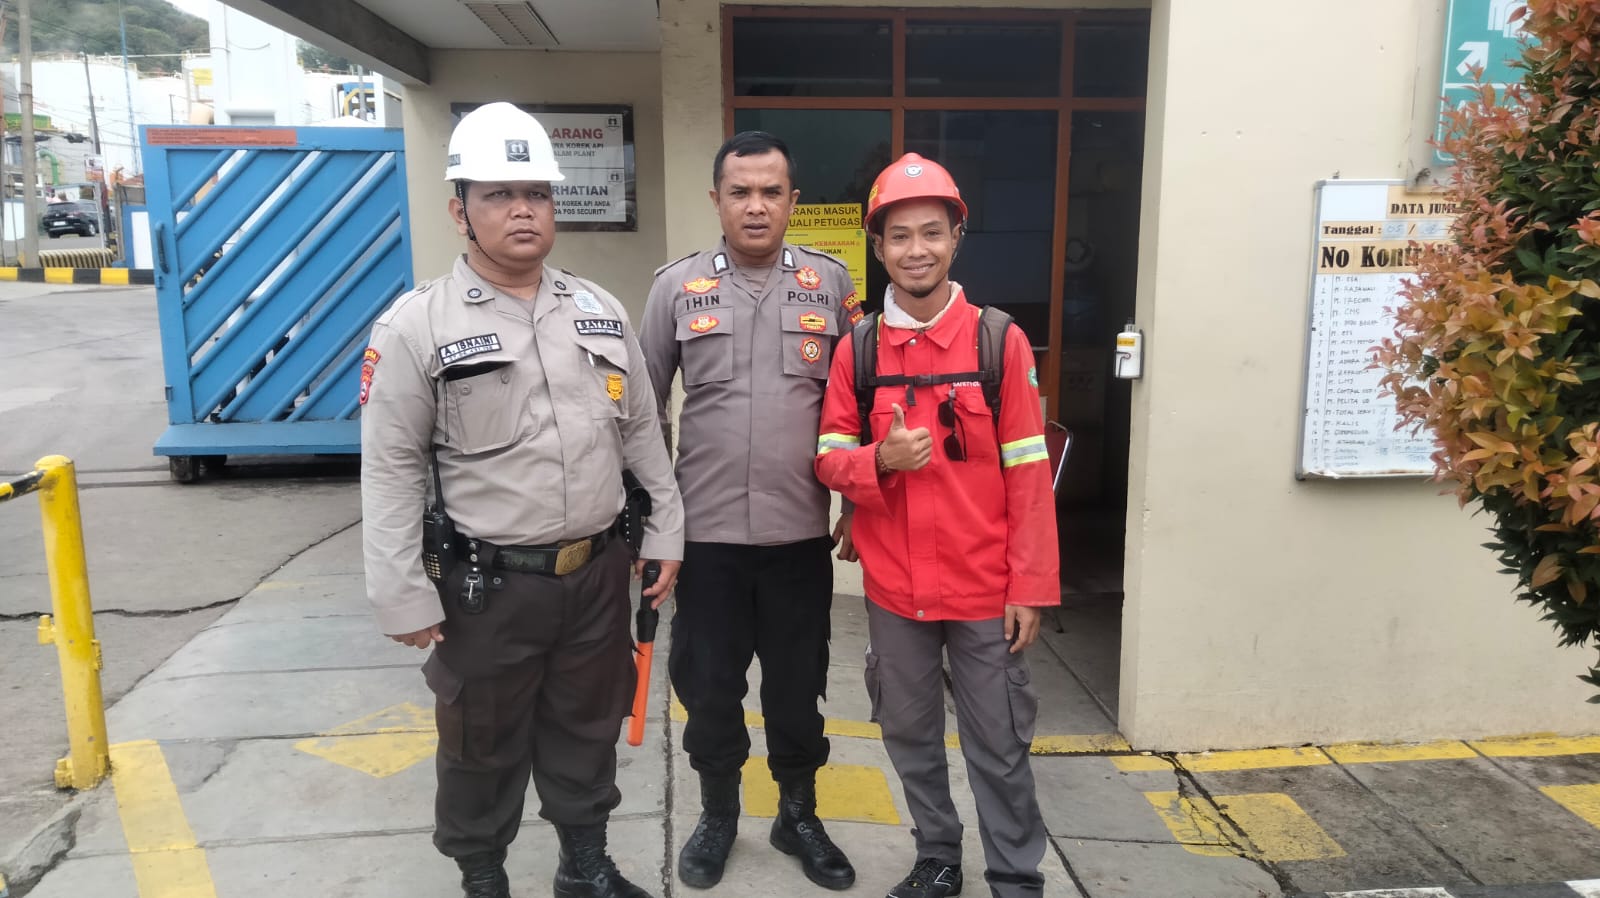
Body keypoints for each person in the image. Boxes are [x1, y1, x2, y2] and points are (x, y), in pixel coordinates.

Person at [359, 102, 685, 898]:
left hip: (595, 574)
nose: (522, 210)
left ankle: (584, 867)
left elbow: (643, 432)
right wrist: (399, 589)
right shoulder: (416, 327)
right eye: (499, 194)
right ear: (460, 211)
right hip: (488, 588)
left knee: (588, 726)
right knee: (481, 741)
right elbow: (391, 468)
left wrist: (666, 529)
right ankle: (483, 876)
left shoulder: (599, 310)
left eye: (536, 193)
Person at [814, 153, 1059, 898]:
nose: (915, 249)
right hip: (895, 591)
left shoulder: (997, 342)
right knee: (909, 733)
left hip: (985, 590)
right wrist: (879, 461)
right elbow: (828, 457)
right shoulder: (858, 350)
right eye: (898, 236)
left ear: (956, 237)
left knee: (999, 742)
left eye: (931, 232)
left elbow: (1029, 473)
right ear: (877, 246)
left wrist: (1031, 586)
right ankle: (938, 856)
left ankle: (1015, 875)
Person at [639, 131, 862, 891]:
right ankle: (718, 815)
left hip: (799, 537)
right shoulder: (676, 288)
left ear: (794, 200)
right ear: (717, 200)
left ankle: (797, 815)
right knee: (709, 688)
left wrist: (858, 505)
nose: (756, 206)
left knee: (798, 688)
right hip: (705, 542)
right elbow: (643, 414)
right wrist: (654, 522)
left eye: (771, 191)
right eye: (741, 192)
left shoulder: (832, 285)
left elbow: (859, 405)